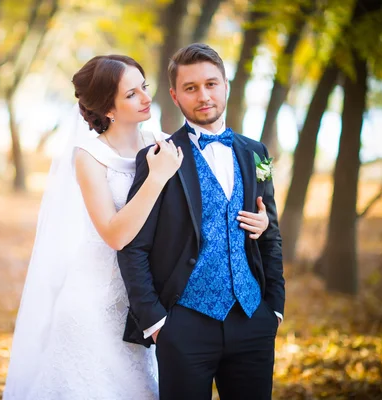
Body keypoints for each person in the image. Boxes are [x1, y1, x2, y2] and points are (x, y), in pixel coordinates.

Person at [3, 54, 270, 400]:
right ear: (108, 109)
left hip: (151, 295)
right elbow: (114, 234)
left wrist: (257, 221)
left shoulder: (157, 140)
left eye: (144, 87)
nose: (146, 98)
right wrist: (156, 179)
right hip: (97, 301)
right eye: (131, 95)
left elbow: (201, 210)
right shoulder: (88, 155)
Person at [117, 43, 285, 400]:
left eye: (211, 84)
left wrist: (275, 308)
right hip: (183, 324)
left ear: (226, 85)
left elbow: (270, 233)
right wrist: (158, 323)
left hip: (253, 318)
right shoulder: (157, 157)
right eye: (191, 88)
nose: (204, 95)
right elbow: (133, 246)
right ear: (176, 97)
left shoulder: (255, 152)